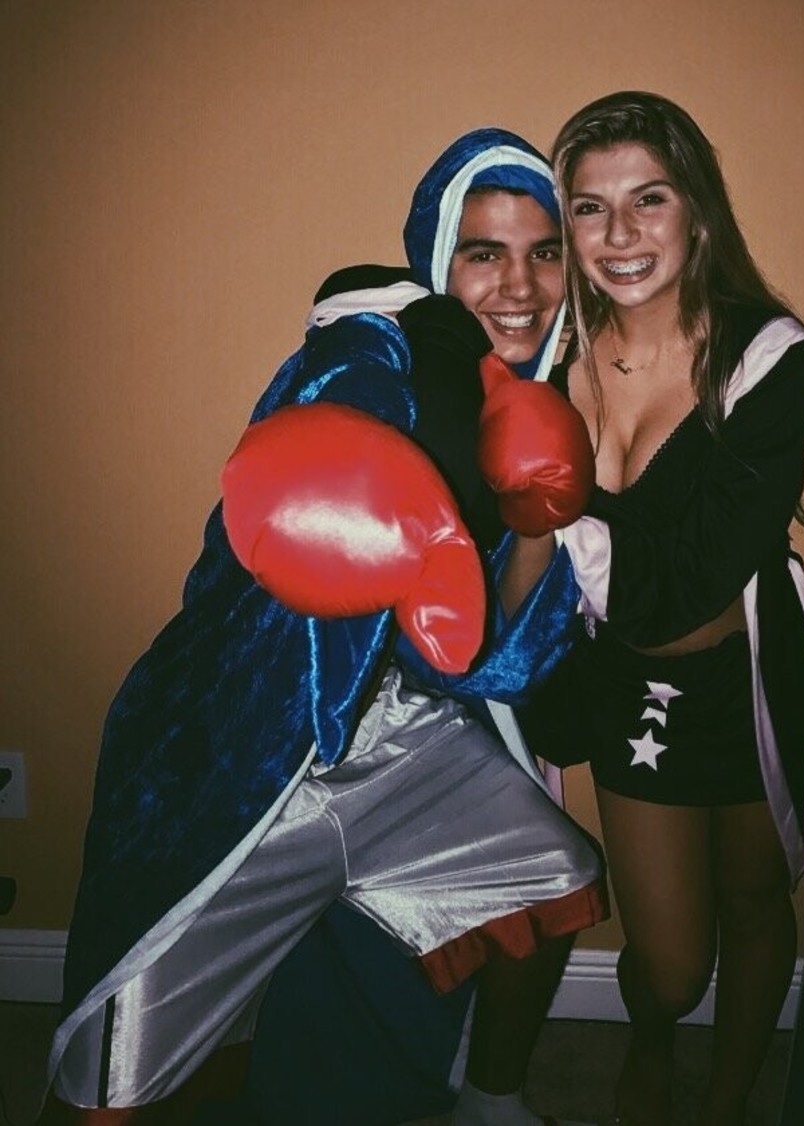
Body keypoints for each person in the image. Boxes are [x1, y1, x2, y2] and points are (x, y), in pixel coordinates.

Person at [42, 128, 606, 1126]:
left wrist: (534, 522)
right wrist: (358, 462)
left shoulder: (546, 405)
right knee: (113, 1066)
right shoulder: (375, 340)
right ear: (439, 258)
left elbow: (494, 664)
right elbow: (337, 399)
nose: (520, 286)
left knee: (555, 878)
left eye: (544, 252)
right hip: (253, 741)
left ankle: (493, 1099)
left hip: (405, 738)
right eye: (484, 252)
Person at [523, 91, 804, 1125]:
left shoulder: (770, 355)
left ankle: (728, 1097)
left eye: (649, 199)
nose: (620, 234)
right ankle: (655, 1033)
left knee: (756, 901)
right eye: (590, 207)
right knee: (668, 965)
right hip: (635, 695)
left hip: (752, 677)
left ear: (697, 211)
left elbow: (691, 578)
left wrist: (551, 513)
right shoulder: (547, 364)